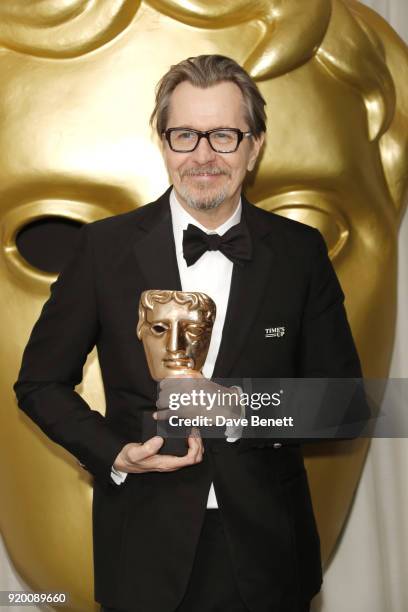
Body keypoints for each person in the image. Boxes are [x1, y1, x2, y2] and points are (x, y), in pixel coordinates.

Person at [14, 54, 363, 612]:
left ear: (255, 147)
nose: (203, 155)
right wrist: (115, 453)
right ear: (163, 142)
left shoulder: (300, 253)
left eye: (224, 135)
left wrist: (238, 409)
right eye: (185, 135)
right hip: (143, 546)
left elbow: (346, 404)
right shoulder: (104, 250)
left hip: (271, 552)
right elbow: (38, 384)